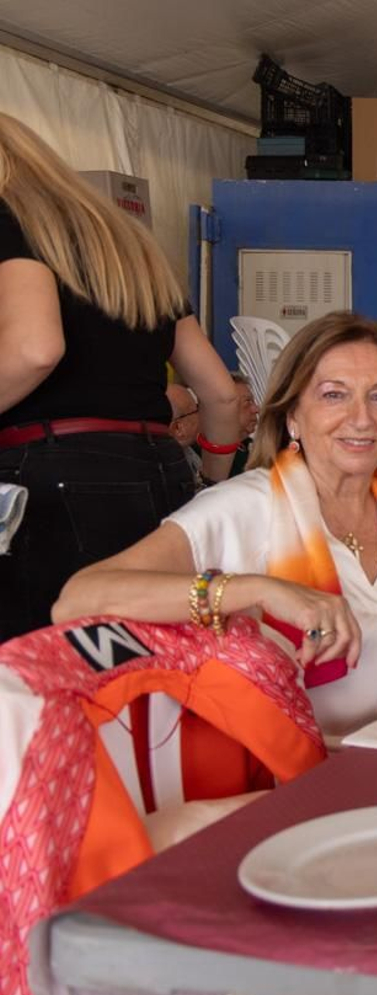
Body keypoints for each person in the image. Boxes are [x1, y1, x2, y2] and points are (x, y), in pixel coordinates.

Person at [53, 313, 377, 741]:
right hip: (291, 780)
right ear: (292, 416)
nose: (360, 418)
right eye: (334, 395)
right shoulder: (245, 507)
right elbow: (81, 597)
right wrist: (257, 591)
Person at [0, 114, 240, 641]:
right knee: (150, 663)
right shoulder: (128, 243)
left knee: (46, 672)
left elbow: (35, 350)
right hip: (160, 470)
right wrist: (213, 487)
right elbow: (222, 394)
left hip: (53, 482)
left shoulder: (10, 219)